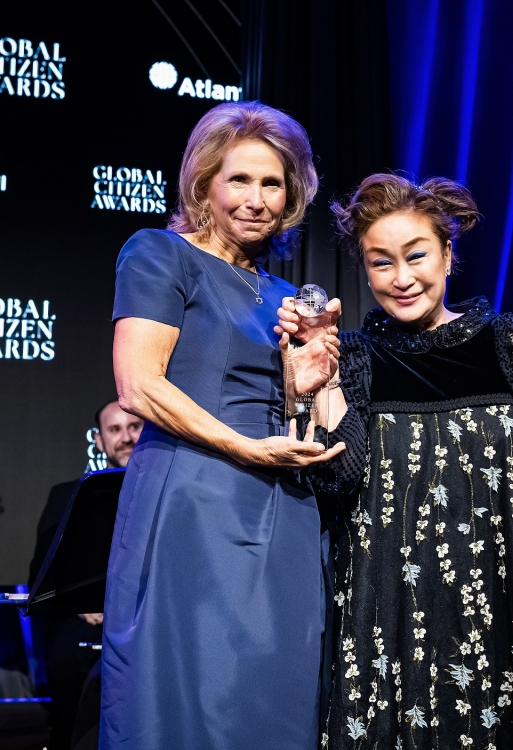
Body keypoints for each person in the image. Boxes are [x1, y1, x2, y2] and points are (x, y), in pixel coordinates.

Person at [277, 174, 513, 749]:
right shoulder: (357, 360)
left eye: (416, 255)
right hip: (399, 620)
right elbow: (337, 479)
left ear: (448, 254)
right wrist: (310, 393)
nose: (401, 279)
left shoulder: (511, 347)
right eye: (380, 263)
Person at [100, 101, 345, 750]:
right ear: (204, 181)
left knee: (274, 696)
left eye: (273, 183)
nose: (257, 198)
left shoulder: (283, 296)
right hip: (194, 503)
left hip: (282, 510)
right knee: (188, 690)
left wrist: (311, 385)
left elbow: (299, 415)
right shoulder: (160, 255)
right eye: (239, 179)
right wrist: (244, 446)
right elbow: (139, 385)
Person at [28, 400, 142, 750]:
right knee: (67, 654)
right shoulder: (66, 495)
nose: (126, 437)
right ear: (99, 440)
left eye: (135, 427)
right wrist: (83, 602)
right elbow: (44, 574)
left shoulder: (170, 492)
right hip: (85, 618)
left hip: (148, 614)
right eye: (115, 430)